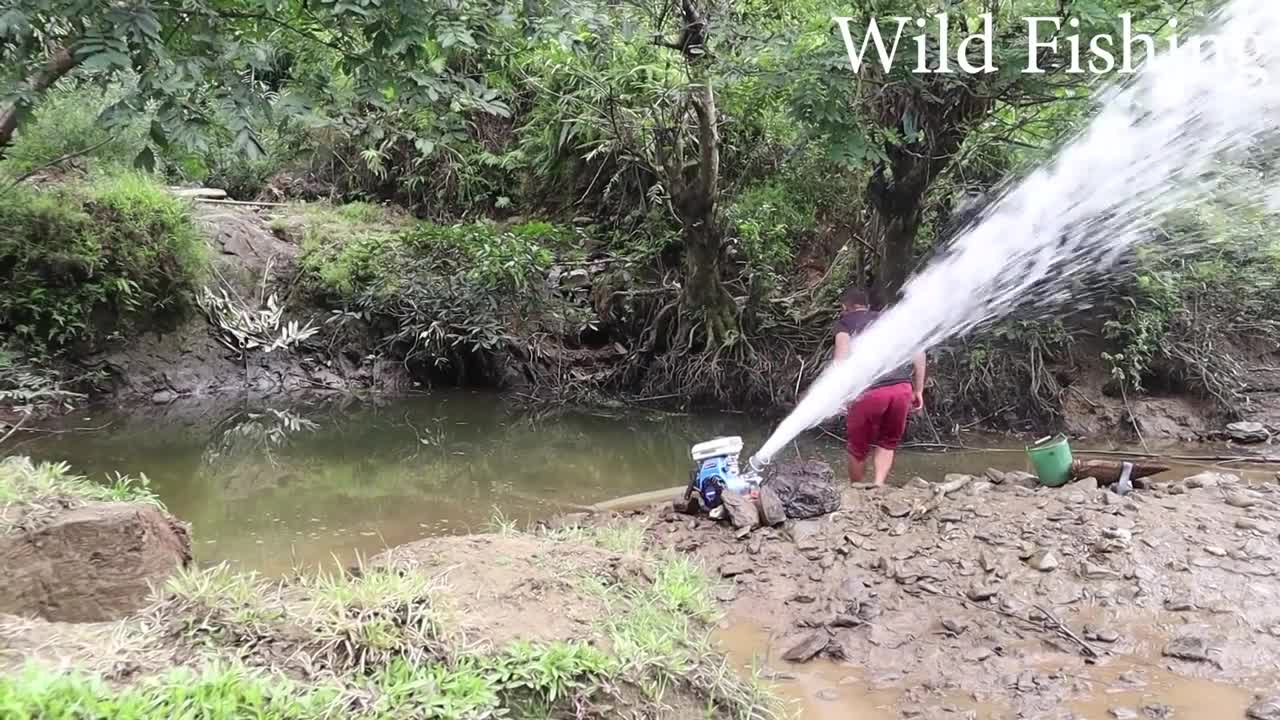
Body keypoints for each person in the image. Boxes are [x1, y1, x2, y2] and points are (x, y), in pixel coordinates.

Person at [833, 287, 926, 486]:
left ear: (845, 307)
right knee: (887, 442)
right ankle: (878, 484)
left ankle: (856, 487)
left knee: (857, 446)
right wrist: (918, 389)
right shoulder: (887, 320)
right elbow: (919, 352)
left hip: (869, 391)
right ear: (866, 306)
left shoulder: (845, 324)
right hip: (901, 388)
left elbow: (841, 360)